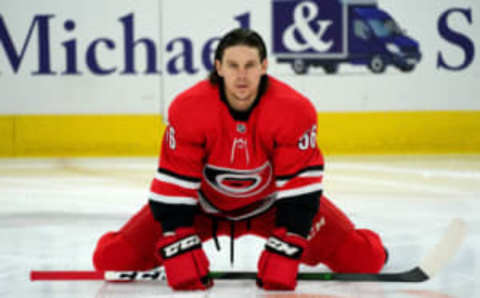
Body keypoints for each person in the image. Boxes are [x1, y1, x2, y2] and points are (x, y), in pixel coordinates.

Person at [92, 28, 387, 291]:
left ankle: (375, 247)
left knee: (364, 260)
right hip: (202, 208)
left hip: (271, 207)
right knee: (112, 259)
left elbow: (301, 191)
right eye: (233, 65)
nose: (241, 75)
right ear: (218, 67)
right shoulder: (189, 108)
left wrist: (288, 243)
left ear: (264, 67)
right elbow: (173, 187)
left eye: (249, 65)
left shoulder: (294, 110)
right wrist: (178, 241)